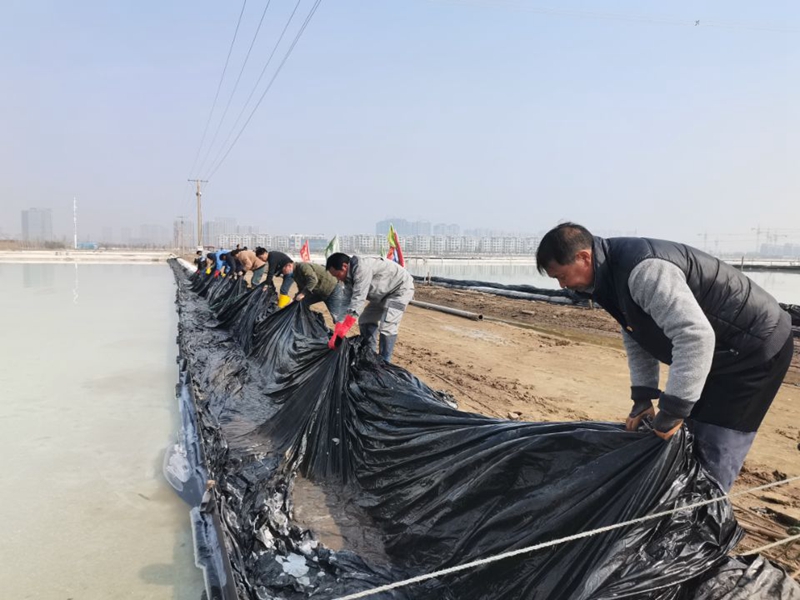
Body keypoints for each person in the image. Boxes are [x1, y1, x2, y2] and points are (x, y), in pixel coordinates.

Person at [536, 223, 793, 491]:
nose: (562, 285)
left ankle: (707, 510)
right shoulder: (608, 278)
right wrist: (643, 396)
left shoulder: (644, 270)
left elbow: (695, 336)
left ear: (583, 257)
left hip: (754, 349)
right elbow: (635, 333)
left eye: (561, 276)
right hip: (720, 350)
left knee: (714, 443)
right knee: (689, 435)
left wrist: (672, 410)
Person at [326, 252, 415, 362]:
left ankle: (384, 362)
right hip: (381, 295)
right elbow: (345, 303)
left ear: (344, 266)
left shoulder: (362, 268)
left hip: (400, 291)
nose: (338, 279)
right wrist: (337, 330)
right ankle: (370, 356)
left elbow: (358, 300)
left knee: (387, 326)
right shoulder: (348, 278)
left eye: (337, 275)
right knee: (365, 320)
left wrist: (342, 332)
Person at [281, 260, 346, 321]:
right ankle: (308, 323)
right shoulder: (295, 275)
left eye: (283, 270)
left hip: (332, 290)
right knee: (301, 303)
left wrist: (303, 294)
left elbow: (313, 280)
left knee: (337, 317)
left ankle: (341, 329)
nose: (283, 273)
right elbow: (301, 289)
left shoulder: (303, 267)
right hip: (318, 292)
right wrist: (293, 301)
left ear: (289, 266)